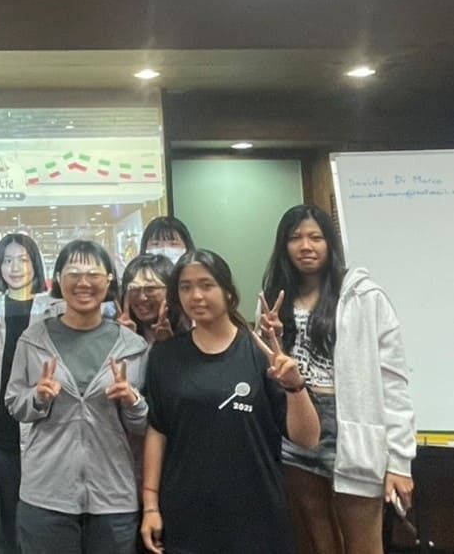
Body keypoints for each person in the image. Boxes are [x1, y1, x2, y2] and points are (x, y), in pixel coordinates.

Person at [259, 204, 415, 554]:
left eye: (316, 237)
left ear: (330, 243)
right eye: (295, 238)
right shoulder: (274, 300)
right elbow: (270, 373)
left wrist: (400, 463)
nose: (306, 246)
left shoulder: (364, 296)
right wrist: (274, 336)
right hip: (298, 425)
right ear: (283, 245)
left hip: (354, 429)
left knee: (364, 544)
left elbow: (393, 383)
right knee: (317, 542)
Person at [141, 250, 320, 554]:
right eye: (186, 287)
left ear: (227, 291)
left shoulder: (261, 354)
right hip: (187, 516)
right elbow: (158, 432)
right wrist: (150, 506)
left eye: (206, 285)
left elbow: (309, 438)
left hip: (257, 516)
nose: (196, 296)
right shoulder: (164, 356)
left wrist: (295, 386)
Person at [5, 240, 148, 554]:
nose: (84, 282)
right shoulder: (34, 339)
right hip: (47, 496)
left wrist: (133, 402)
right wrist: (38, 398)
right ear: (58, 279)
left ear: (108, 280)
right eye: (73, 273)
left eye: (93, 274)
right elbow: (15, 404)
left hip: (113, 497)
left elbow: (144, 426)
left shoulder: (132, 346)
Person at [0, 233, 55, 553]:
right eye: (7, 260)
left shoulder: (54, 311)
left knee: (43, 528)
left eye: (23, 259)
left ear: (36, 264)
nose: (15, 267)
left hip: (46, 436)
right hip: (1, 436)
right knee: (4, 529)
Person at [116, 253, 175, 346]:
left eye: (150, 289)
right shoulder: (117, 331)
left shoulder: (189, 330)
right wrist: (127, 340)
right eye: (134, 289)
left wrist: (168, 342)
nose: (142, 297)